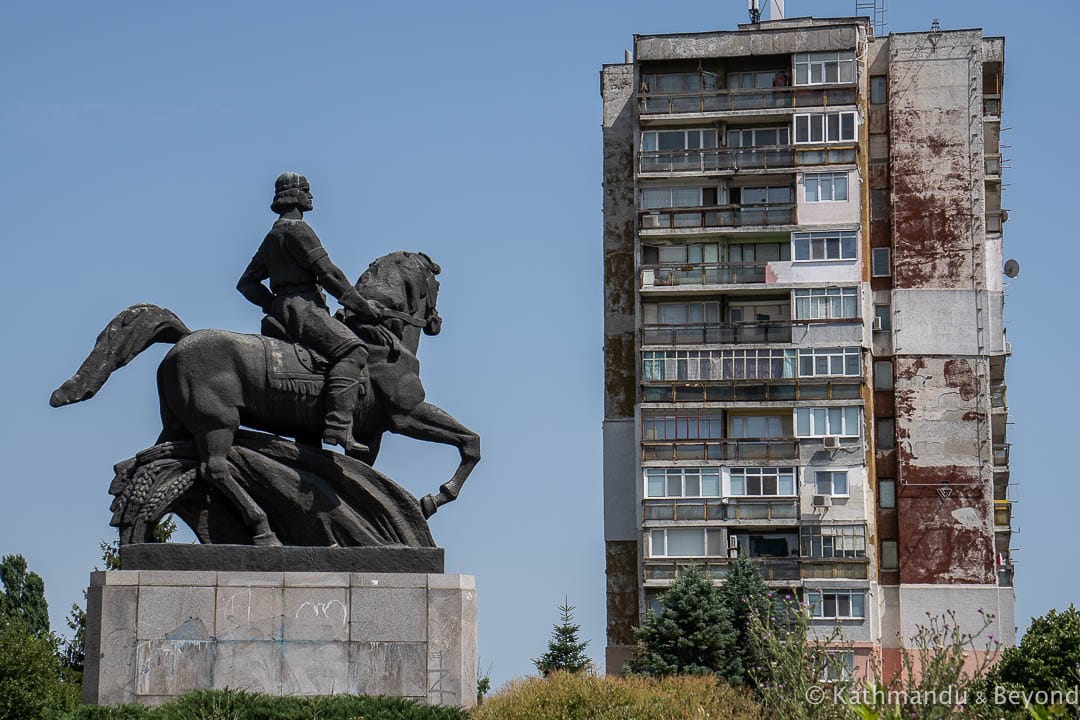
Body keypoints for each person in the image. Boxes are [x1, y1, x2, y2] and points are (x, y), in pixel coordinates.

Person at [237, 171, 379, 457]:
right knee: (354, 351)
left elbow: (246, 284)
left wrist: (272, 304)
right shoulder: (298, 230)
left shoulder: (273, 235)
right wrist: (361, 305)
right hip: (305, 309)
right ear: (295, 195)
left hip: (283, 310)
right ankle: (338, 426)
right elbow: (328, 273)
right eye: (307, 190)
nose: (311, 195)